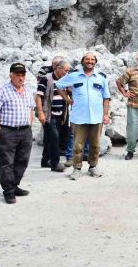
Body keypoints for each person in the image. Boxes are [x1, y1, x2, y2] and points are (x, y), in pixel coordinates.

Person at [56, 52, 111, 180]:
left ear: (95, 62)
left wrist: (106, 114)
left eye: (92, 59)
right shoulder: (74, 75)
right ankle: (77, 168)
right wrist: (67, 99)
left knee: (95, 144)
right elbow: (59, 85)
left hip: (96, 117)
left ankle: (93, 167)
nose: (90, 61)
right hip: (79, 117)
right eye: (87, 59)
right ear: (82, 61)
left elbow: (106, 97)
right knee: (78, 145)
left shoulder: (101, 77)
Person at [0, 63, 35, 204]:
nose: (20, 78)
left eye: (23, 75)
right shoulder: (2, 90)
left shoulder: (27, 90)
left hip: (25, 131)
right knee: (7, 163)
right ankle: (8, 192)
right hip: (8, 131)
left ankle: (15, 186)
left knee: (22, 161)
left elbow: (31, 109)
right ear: (11, 76)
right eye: (17, 75)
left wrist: (30, 125)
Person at [35, 58, 71, 172]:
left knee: (49, 139)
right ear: (58, 69)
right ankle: (55, 164)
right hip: (48, 114)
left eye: (68, 71)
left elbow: (69, 92)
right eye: (65, 70)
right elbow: (38, 96)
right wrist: (40, 113)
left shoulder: (64, 80)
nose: (67, 73)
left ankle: (45, 161)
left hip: (61, 114)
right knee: (55, 138)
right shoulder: (46, 79)